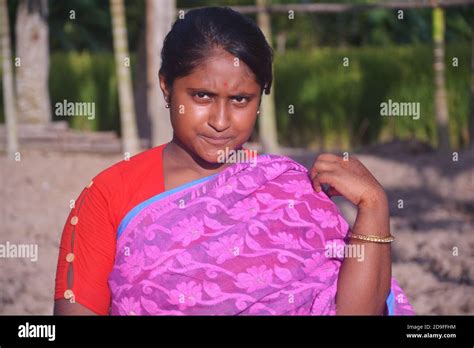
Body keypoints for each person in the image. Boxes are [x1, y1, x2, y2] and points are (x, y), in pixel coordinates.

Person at [54, 6, 413, 315]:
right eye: (202, 96)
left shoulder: (290, 190)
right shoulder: (109, 196)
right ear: (166, 86)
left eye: (241, 100)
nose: (221, 121)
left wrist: (374, 206)